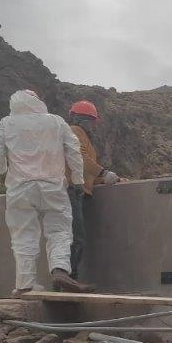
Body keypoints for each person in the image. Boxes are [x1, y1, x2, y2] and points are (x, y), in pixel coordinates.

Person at [0, 90, 91, 296]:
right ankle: (60, 269)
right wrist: (78, 180)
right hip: (53, 185)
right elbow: (74, 151)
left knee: (23, 235)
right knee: (60, 230)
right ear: (37, 101)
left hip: (20, 188)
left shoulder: (5, 124)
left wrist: (1, 169)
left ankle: (25, 284)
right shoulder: (56, 121)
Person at [66, 100, 120, 280]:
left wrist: (103, 178)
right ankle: (69, 278)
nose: (94, 126)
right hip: (71, 191)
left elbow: (85, 172)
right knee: (75, 237)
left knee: (76, 236)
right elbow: (79, 159)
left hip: (77, 191)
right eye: (92, 122)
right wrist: (103, 172)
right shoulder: (75, 132)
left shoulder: (82, 136)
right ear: (83, 120)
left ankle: (69, 277)